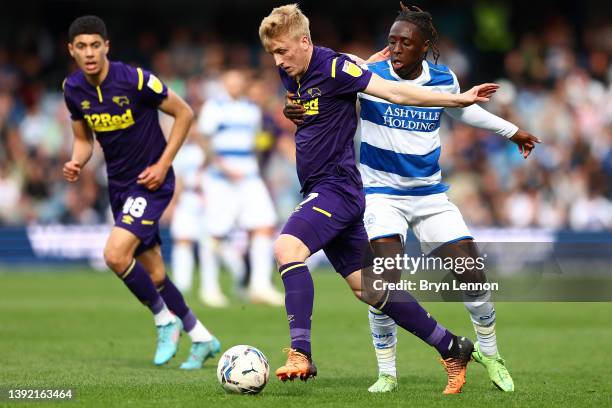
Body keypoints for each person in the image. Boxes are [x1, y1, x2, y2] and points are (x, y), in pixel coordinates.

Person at [283, 3, 541, 394]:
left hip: (430, 195)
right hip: (381, 195)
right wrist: (298, 105)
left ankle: (491, 354)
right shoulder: (368, 75)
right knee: (382, 279)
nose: (397, 48)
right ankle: (387, 371)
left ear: (425, 47)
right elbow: (321, 86)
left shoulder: (443, 78)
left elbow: (464, 113)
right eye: (392, 41)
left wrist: (512, 131)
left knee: (471, 274)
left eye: (406, 42)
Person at [62, 15, 220, 369]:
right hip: (119, 187)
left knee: (115, 255)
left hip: (151, 181)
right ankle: (202, 337)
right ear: (71, 50)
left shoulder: (133, 79)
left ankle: (165, 321)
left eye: (95, 45)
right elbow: (83, 140)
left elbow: (185, 114)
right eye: (82, 47)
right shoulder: (73, 89)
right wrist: (76, 162)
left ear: (107, 47)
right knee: (157, 274)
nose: (89, 53)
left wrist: (164, 163)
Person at [197, 69, 284, 307]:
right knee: (215, 232)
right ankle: (209, 287)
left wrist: (253, 168)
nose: (235, 86)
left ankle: (260, 285)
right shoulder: (214, 107)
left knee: (264, 225)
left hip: (248, 175)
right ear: (223, 84)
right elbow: (204, 140)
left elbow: (255, 143)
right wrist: (222, 167)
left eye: (238, 82)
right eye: (230, 82)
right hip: (220, 177)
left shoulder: (251, 109)